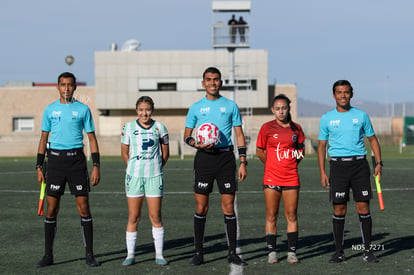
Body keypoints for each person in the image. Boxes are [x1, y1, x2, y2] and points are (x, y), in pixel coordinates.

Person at [184, 67, 248, 266]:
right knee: (201, 207)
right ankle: (198, 252)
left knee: (228, 206)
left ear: (220, 82)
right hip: (204, 159)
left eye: (216, 79)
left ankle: (232, 253)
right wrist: (196, 143)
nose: (212, 83)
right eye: (209, 79)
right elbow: (187, 135)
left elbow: (238, 134)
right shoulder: (195, 107)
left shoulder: (230, 106)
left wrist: (243, 161)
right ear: (203, 83)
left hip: (226, 159)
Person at [35, 72, 101, 267]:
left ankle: (89, 254)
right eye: (63, 85)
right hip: (54, 163)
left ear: (75, 87)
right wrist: (39, 165)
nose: (66, 88)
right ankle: (48, 255)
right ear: (57, 87)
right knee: (52, 210)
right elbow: (43, 138)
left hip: (76, 163)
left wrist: (96, 165)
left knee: (84, 208)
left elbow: (91, 139)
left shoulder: (83, 110)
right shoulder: (49, 110)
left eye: (70, 85)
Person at [318, 80, 382, 263]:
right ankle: (339, 251)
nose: (343, 95)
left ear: (351, 94)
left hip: (359, 166)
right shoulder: (327, 118)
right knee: (339, 208)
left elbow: (373, 140)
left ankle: (368, 251)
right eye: (339, 92)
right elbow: (322, 147)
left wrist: (379, 163)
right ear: (334, 95)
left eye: (346, 92)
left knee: (363, 207)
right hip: (338, 167)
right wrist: (323, 171)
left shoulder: (361, 116)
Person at [256, 94, 305, 264]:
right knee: (272, 215)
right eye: (277, 108)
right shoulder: (266, 128)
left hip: (291, 178)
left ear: (288, 109)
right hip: (271, 177)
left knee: (291, 215)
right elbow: (259, 151)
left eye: (284, 108)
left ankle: (292, 252)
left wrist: (290, 163)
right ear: (272, 110)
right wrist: (271, 164)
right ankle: (272, 252)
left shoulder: (296, 129)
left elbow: (301, 151)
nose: (281, 111)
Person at [121, 96, 170, 266]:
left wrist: (155, 167)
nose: (144, 113)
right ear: (136, 110)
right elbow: (124, 153)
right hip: (134, 177)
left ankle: (159, 254)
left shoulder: (160, 128)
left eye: (147, 109)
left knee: (155, 216)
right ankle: (130, 254)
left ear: (152, 110)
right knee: (133, 216)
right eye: (141, 110)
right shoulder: (128, 127)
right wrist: (134, 168)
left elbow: (165, 154)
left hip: (154, 177)